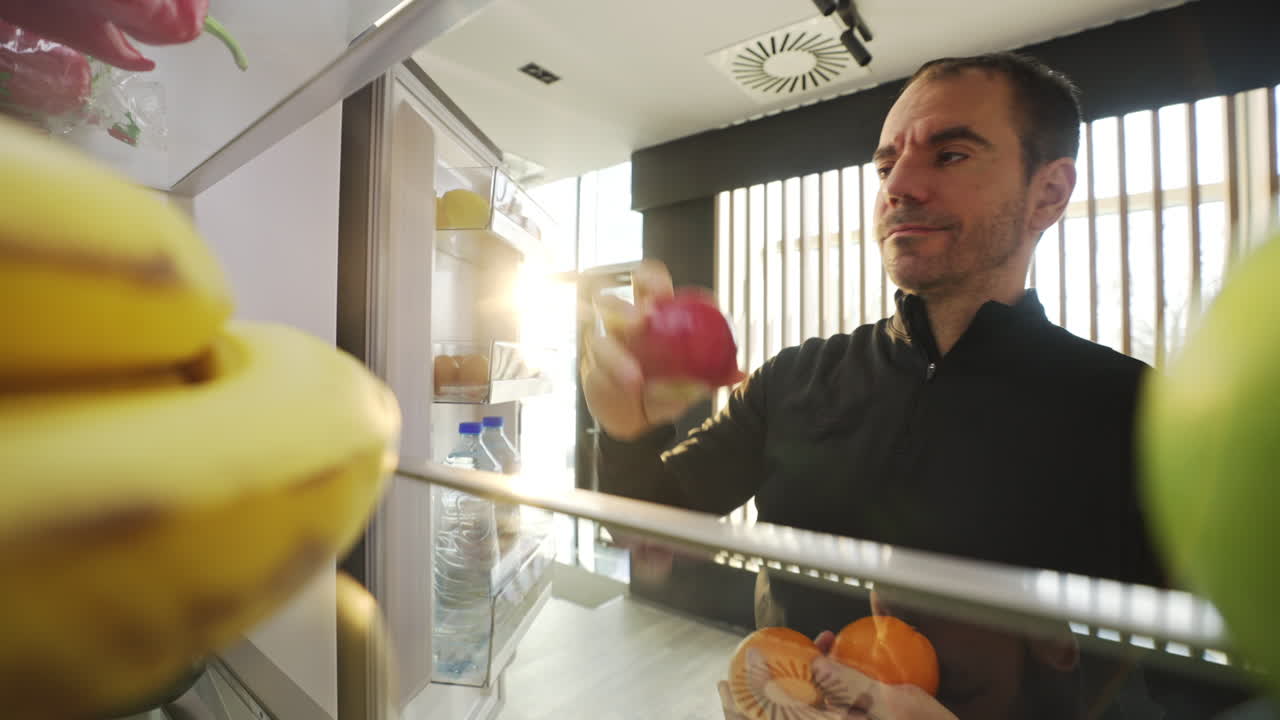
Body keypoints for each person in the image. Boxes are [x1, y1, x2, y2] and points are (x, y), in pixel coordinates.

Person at [581, 51, 1169, 717]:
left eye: (950, 155)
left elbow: (1207, 680)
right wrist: (626, 428)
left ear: (1049, 192)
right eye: (887, 164)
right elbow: (652, 527)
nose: (900, 186)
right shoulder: (794, 377)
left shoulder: (1133, 409)